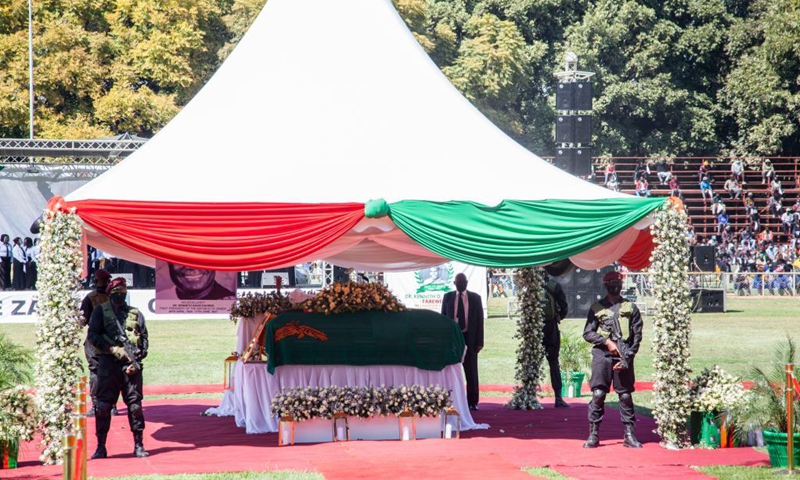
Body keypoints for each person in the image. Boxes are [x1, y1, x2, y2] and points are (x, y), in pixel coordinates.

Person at [87, 277, 149, 458]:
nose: (120, 296)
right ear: (110, 294)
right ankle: (101, 447)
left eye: (123, 292)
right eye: (116, 293)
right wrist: (112, 349)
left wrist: (135, 359)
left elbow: (144, 340)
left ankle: (139, 444)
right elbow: (93, 336)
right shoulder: (100, 312)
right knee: (103, 406)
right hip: (108, 365)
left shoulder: (135, 314)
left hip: (131, 368)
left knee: (135, 406)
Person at [582, 271, 643, 449]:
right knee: (599, 394)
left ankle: (629, 435)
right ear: (605, 285)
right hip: (602, 355)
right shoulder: (597, 308)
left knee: (624, 395)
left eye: (616, 282)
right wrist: (606, 341)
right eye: (611, 283)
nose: (614, 286)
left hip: (623, 356)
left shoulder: (630, 308)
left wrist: (628, 357)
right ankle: (593, 434)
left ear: (621, 284)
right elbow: (587, 333)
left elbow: (637, 337)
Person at [441, 273, 484, 410]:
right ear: (454, 283)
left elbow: (480, 321)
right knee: (451, 370)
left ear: (466, 282)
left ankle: (472, 402)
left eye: (463, 281)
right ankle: (452, 400)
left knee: (471, 370)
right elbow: (443, 319)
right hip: (453, 339)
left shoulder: (475, 298)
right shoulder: (447, 297)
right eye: (458, 282)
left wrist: (479, 342)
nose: (461, 284)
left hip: (469, 338)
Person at [80, 269, 113, 417]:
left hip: (93, 342)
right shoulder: (113, 297)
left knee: (94, 372)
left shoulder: (89, 298)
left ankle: (95, 405)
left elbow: (82, 321)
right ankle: (111, 406)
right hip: (111, 340)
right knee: (111, 373)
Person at [542, 276, 570, 408]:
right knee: (554, 362)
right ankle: (558, 398)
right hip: (551, 327)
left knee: (531, 363)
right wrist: (558, 317)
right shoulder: (554, 285)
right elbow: (564, 306)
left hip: (534, 327)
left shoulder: (529, 285)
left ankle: (528, 396)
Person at [164, 263, 235, 300]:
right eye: (180, 259)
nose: (191, 267)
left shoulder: (230, 300)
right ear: (168, 263)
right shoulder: (162, 297)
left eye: (200, 258)